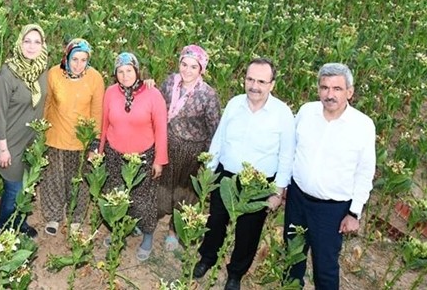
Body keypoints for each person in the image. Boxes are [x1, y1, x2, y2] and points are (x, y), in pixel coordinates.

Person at [193, 58, 295, 290]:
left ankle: (235, 273)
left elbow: (286, 155)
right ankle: (207, 258)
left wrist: (278, 191)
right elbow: (219, 138)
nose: (254, 86)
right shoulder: (234, 103)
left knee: (248, 232)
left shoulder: (282, 114)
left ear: (272, 84)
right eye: (250, 79)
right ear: (244, 80)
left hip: (258, 184)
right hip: (226, 176)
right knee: (216, 221)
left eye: (261, 81)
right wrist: (209, 171)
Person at [284, 63, 376, 290]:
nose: (329, 94)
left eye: (337, 88)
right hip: (297, 199)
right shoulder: (306, 112)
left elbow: (365, 171)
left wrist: (354, 212)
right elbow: (291, 150)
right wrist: (284, 184)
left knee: (325, 268)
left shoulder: (362, 125)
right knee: (292, 258)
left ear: (350, 92)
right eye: (324, 87)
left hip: (331, 210)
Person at [99, 52, 168, 261]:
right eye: (120, 71)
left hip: (143, 156)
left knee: (143, 200)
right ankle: (120, 231)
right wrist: (100, 150)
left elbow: (161, 129)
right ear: (115, 74)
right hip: (114, 154)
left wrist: (159, 160)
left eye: (129, 70)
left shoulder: (152, 93)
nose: (125, 75)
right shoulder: (110, 92)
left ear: (137, 71)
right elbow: (104, 124)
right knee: (117, 196)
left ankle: (147, 235)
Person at [157, 44, 221, 251]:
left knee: (185, 194)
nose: (187, 70)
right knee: (162, 188)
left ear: (201, 69)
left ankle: (174, 232)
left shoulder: (207, 95)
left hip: (192, 152)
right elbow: (155, 106)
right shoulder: (169, 83)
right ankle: (149, 220)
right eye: (184, 64)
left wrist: (208, 160)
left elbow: (214, 129)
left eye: (193, 67)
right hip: (167, 146)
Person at [40, 38, 105, 236]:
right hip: (55, 136)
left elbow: (97, 112)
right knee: (54, 178)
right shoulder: (54, 74)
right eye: (74, 59)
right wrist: (41, 132)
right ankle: (53, 216)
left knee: (79, 180)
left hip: (82, 140)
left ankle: (76, 218)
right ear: (67, 57)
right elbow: (47, 103)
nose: (78, 65)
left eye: (83, 60)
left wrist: (94, 145)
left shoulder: (95, 78)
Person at [0, 23, 49, 237]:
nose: (32, 47)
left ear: (43, 45)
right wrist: (2, 148)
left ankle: (20, 222)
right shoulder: (8, 74)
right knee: (14, 188)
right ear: (19, 42)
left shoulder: (43, 69)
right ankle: (3, 227)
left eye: (37, 42)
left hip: (33, 141)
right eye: (27, 41)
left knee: (27, 187)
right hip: (10, 141)